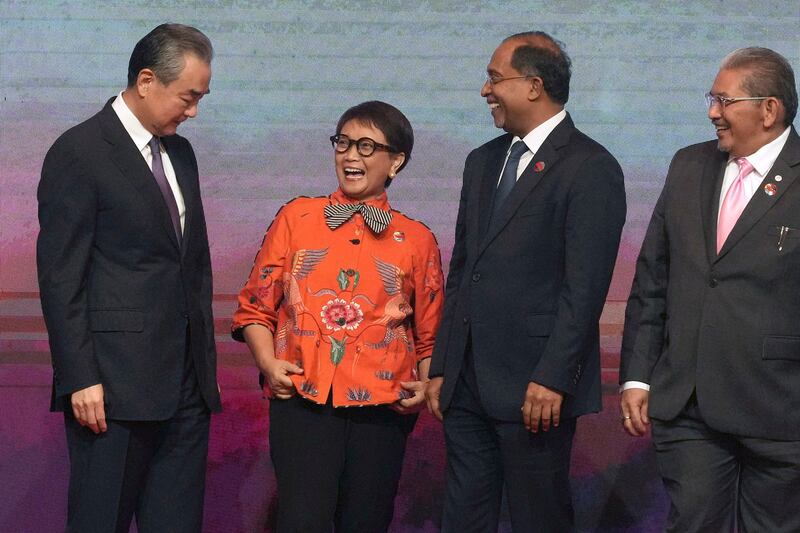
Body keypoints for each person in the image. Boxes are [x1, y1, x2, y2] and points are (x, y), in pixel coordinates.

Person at [425, 31, 626, 532]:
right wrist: (444, 362)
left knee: (539, 517)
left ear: (534, 85)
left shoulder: (590, 167)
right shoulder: (482, 161)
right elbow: (464, 269)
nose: (484, 90)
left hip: (537, 385)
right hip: (467, 380)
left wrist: (554, 376)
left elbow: (585, 288)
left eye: (495, 78)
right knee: (463, 514)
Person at [37, 23, 221, 532]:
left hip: (186, 387)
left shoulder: (181, 153)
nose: (193, 112)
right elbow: (60, 276)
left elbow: (191, 264)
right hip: (112, 390)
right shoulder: (80, 151)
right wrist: (80, 376)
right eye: (188, 97)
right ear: (146, 80)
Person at [232, 100, 444, 532]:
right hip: (301, 403)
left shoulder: (418, 240)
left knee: (366, 522)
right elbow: (256, 306)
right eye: (343, 143)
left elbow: (430, 334)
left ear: (396, 161)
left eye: (366, 146)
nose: (350, 156)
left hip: (382, 412)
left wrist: (425, 384)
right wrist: (268, 363)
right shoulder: (297, 217)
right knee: (300, 521)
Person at [620, 47, 800, 532]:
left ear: (769, 110)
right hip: (689, 403)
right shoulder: (688, 166)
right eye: (711, 98)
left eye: (724, 100)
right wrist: (637, 376)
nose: (712, 112)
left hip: (781, 409)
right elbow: (652, 278)